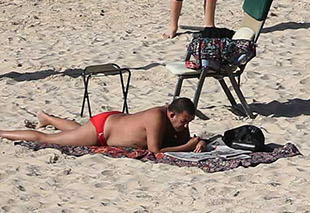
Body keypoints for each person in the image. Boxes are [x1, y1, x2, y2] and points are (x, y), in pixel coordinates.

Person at [2, 100, 201, 153]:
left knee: (78, 130)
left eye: (188, 122)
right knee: (46, 139)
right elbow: (155, 151)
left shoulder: (176, 117)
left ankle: (47, 118)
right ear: (171, 114)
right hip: (101, 130)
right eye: (183, 122)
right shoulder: (156, 117)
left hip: (113, 121)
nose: (185, 126)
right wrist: (188, 147)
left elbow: (186, 140)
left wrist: (199, 143)